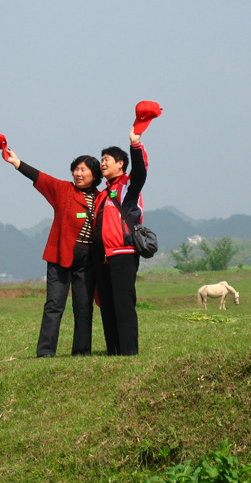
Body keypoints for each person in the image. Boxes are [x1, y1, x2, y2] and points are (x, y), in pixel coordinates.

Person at [3, 143, 102, 357]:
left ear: (94, 175)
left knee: (83, 307)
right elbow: (41, 178)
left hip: (88, 261)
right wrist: (17, 163)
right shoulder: (64, 190)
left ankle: (82, 352)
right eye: (75, 169)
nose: (78, 173)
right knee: (55, 304)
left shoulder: (101, 198)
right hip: (60, 256)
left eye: (83, 170)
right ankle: (46, 352)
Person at [92, 127, 149, 356]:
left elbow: (141, 173)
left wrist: (135, 144)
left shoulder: (128, 186)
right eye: (102, 160)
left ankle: (128, 351)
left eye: (107, 160)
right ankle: (113, 351)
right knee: (107, 305)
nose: (102, 164)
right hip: (103, 257)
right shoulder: (102, 194)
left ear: (120, 164)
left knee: (123, 304)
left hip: (124, 253)